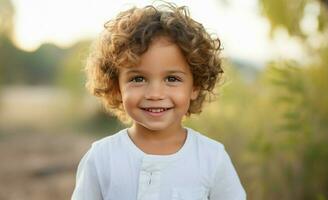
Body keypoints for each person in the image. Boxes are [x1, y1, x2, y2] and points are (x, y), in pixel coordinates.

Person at [72, 2, 246, 200]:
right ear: (116, 87)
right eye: (138, 79)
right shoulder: (101, 158)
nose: (155, 94)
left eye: (172, 79)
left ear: (195, 86)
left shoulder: (212, 159)